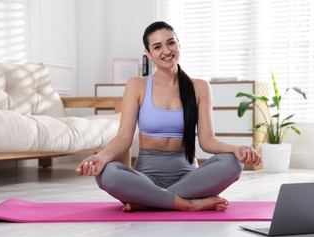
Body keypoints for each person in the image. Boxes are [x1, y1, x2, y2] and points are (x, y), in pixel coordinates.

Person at [76, 21, 261, 212]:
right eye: (157, 47)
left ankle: (150, 201)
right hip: (146, 177)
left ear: (179, 44)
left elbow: (207, 141)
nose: (166, 50)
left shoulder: (200, 87)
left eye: (171, 43)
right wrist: (101, 157)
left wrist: (236, 149)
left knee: (233, 163)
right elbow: (123, 138)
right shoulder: (137, 85)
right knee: (107, 174)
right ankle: (186, 203)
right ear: (148, 53)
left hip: (188, 178)